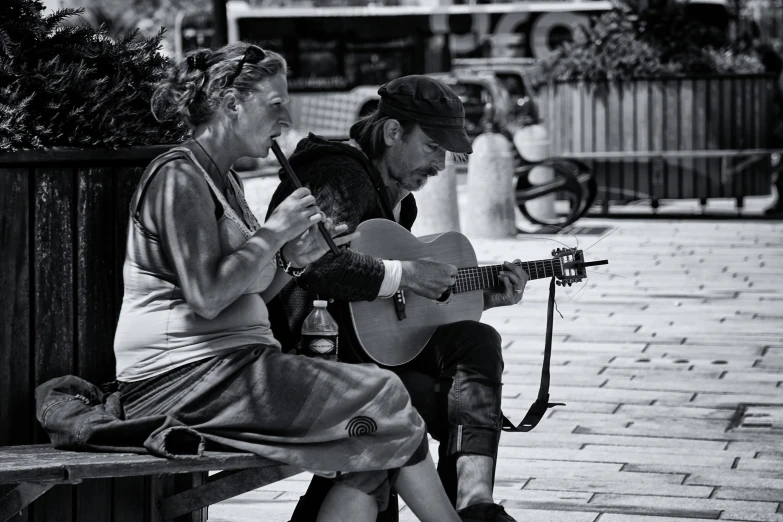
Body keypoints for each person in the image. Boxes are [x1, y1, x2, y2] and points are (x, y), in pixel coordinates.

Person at [112, 43, 465, 522]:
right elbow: (207, 296)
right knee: (384, 397)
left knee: (377, 442)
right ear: (231, 103)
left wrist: (294, 261)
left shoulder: (224, 180)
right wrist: (274, 232)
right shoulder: (179, 177)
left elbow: (252, 290)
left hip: (231, 368)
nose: (286, 119)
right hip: (182, 378)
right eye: (275, 104)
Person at [266, 75, 529, 522]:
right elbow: (323, 267)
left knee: (476, 341)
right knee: (441, 405)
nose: (441, 165)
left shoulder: (399, 199)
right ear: (392, 133)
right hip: (316, 354)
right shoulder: (337, 174)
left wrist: (482, 298)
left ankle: (474, 503)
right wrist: (407, 274)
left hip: (366, 351)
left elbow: (394, 309)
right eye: (433, 148)